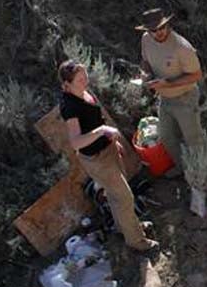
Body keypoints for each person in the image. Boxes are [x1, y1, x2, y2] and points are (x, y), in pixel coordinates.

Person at [58, 60, 158, 253]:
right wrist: (102, 131)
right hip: (97, 159)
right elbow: (76, 142)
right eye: (80, 79)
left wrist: (112, 141)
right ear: (66, 85)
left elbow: (95, 118)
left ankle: (126, 229)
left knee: (116, 196)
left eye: (85, 75)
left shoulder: (83, 92)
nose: (85, 81)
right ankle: (137, 241)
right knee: (124, 198)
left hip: (108, 150)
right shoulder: (70, 107)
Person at [136, 8, 205, 177]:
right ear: (148, 31)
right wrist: (145, 75)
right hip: (165, 98)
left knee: (193, 140)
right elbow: (145, 61)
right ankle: (183, 169)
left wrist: (168, 83)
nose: (159, 32)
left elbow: (196, 75)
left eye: (162, 27)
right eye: (154, 30)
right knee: (166, 137)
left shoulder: (182, 47)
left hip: (185, 98)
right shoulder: (146, 40)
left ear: (167, 25)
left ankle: (201, 175)